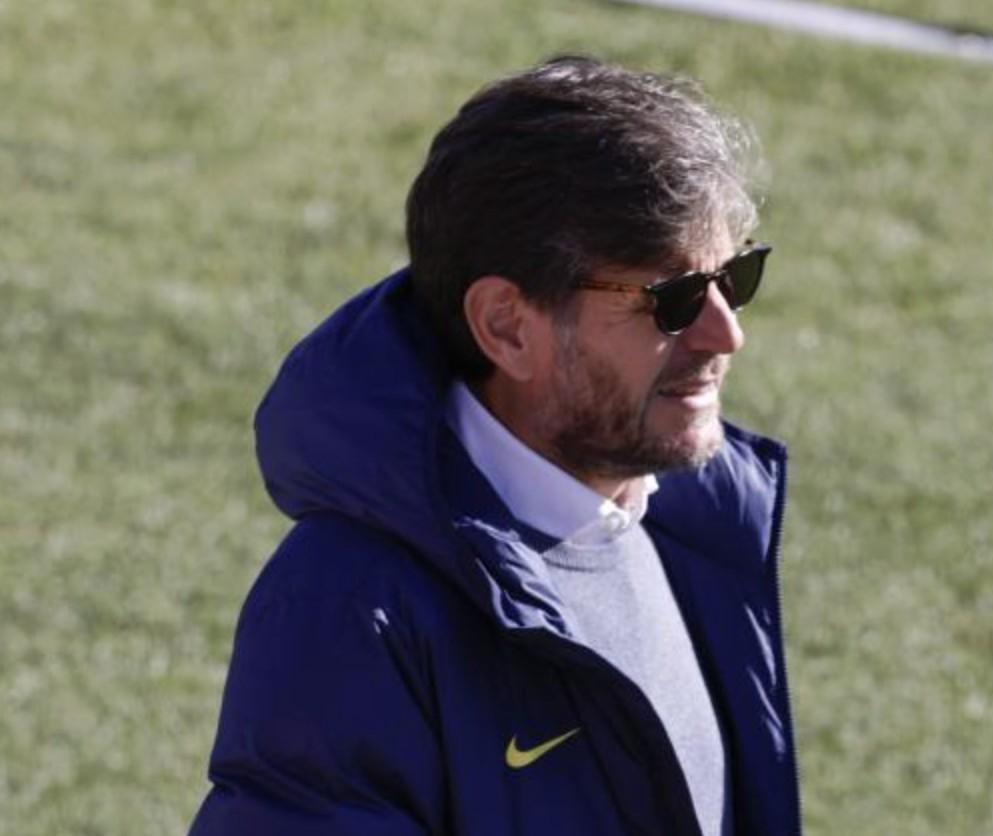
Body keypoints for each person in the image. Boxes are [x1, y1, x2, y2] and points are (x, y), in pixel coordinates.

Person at [190, 55, 799, 836]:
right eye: (674, 299)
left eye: (735, 278)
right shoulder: (351, 610)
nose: (726, 333)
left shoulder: (692, 520)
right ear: (508, 326)